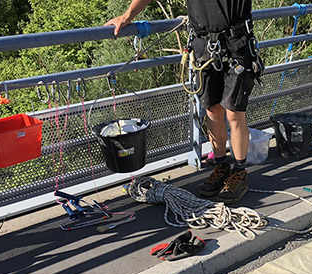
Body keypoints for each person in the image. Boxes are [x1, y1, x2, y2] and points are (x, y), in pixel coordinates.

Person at [105, 0, 262, 204]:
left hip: (236, 45)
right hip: (204, 45)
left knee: (234, 112)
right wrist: (126, 16)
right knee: (213, 110)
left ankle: (239, 172)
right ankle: (221, 166)